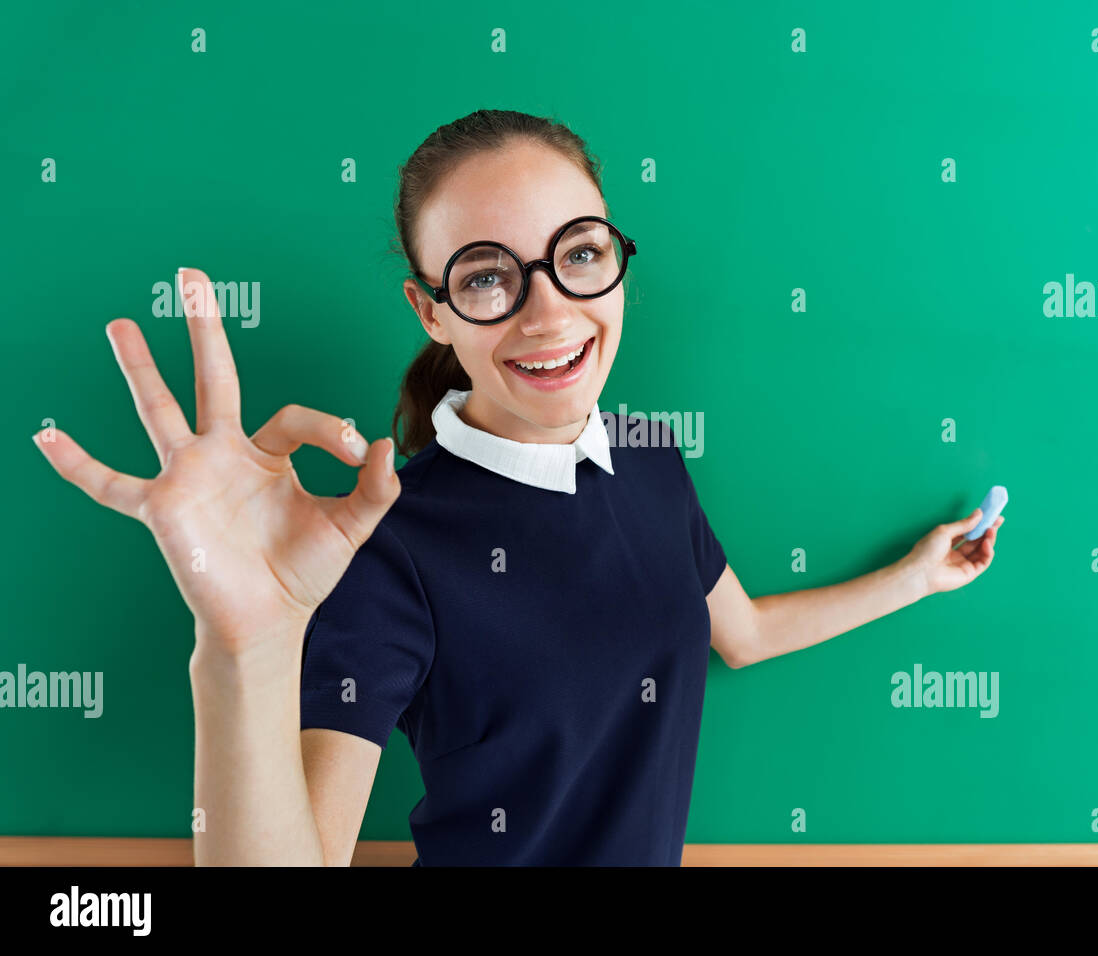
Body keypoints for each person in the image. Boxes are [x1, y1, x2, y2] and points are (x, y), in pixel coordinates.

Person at [32, 108, 1004, 866]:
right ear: (432, 312)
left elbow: (740, 635)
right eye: (488, 276)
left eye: (579, 253)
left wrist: (916, 577)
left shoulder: (652, 457)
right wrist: (243, 642)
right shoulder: (387, 544)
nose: (550, 310)